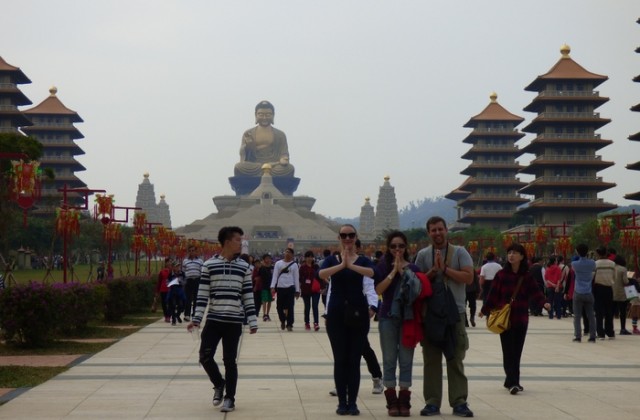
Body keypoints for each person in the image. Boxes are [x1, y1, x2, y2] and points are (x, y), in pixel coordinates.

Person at [186, 226, 258, 413]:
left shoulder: (244, 267)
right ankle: (219, 383)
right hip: (214, 319)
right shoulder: (209, 265)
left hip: (233, 321)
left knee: (229, 361)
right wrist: (196, 319)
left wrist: (252, 319)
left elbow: (247, 294)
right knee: (205, 356)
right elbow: (202, 295)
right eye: (238, 240)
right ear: (227, 242)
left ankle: (230, 398)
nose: (241, 244)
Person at [414, 216, 474, 418]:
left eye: (440, 229)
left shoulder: (460, 252)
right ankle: (432, 402)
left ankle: (459, 401)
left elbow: (469, 277)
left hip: (454, 313)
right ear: (428, 233)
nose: (437, 233)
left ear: (447, 230)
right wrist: (433, 271)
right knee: (431, 360)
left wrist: (446, 269)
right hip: (430, 314)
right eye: (433, 230)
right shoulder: (423, 255)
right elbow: (417, 284)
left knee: (455, 358)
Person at [319, 224, 376, 416]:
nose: (347, 238)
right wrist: (342, 265)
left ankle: (353, 402)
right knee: (340, 359)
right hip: (335, 314)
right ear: (339, 238)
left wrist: (350, 265)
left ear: (355, 237)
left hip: (358, 314)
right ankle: (342, 402)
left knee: (353, 359)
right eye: (344, 235)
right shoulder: (330, 260)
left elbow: (372, 273)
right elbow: (322, 274)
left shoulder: (364, 261)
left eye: (351, 235)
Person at [479, 243, 550, 395]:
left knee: (517, 351)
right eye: (509, 252)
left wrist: (544, 303)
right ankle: (514, 382)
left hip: (521, 318)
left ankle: (511, 379)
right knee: (508, 351)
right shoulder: (501, 275)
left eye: (515, 253)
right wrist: (484, 310)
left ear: (522, 256)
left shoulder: (527, 276)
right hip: (505, 320)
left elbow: (535, 292)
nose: (511, 255)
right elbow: (493, 295)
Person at [375, 231, 431, 417]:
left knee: (406, 360)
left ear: (406, 247)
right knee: (389, 359)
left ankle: (404, 401)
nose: (397, 249)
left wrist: (403, 272)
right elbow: (378, 290)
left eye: (400, 246)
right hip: (387, 318)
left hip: (408, 319)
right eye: (393, 246)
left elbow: (418, 291)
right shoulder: (382, 267)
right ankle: (391, 401)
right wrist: (393, 272)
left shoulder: (414, 268)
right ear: (388, 248)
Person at [234, 100, 294, 177]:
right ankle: (264, 172)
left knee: (290, 168)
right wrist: (248, 146)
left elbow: (284, 152)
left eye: (268, 115)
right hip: (255, 165)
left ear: (273, 115)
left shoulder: (280, 134)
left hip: (274, 165)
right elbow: (244, 157)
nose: (264, 118)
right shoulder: (249, 133)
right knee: (239, 167)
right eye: (261, 114)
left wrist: (284, 158)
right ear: (256, 115)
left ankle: (266, 172)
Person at [570, 244, 597, 342]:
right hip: (589, 292)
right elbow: (593, 269)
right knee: (591, 315)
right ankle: (592, 336)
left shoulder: (574, 264)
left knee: (577, 316)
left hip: (578, 292)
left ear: (577, 252)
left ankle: (578, 336)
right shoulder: (592, 263)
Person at [270, 248, 300, 331]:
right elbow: (275, 275)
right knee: (279, 306)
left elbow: (296, 278)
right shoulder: (278, 263)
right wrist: (272, 286)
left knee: (290, 307)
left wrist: (297, 290)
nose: (287, 253)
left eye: (289, 252)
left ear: (292, 255)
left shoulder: (294, 265)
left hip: (290, 287)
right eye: (286, 252)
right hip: (280, 287)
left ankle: (290, 324)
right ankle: (283, 320)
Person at [594, 246, 616, 339]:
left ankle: (600, 333)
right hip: (608, 288)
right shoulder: (612, 264)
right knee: (609, 311)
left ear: (598, 254)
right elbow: (614, 277)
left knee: (599, 311)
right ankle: (610, 332)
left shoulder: (595, 264)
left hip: (598, 288)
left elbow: (592, 276)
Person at [299, 250, 321, 331]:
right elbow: (300, 278)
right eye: (308, 257)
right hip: (306, 290)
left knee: (315, 306)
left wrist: (321, 287)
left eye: (311, 257)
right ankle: (307, 323)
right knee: (307, 307)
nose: (310, 258)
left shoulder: (316, 267)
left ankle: (316, 323)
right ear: (305, 258)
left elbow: (320, 277)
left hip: (315, 289)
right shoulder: (302, 267)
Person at [182, 245, 204, 322]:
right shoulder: (185, 261)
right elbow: (183, 272)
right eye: (190, 251)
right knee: (188, 298)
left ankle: (195, 315)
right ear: (188, 252)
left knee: (196, 299)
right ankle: (187, 315)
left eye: (193, 250)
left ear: (196, 251)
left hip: (197, 280)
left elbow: (202, 272)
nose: (191, 252)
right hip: (188, 281)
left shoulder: (200, 261)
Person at [612, 255, 630, 335]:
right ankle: (622, 329)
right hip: (621, 293)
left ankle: (610, 328)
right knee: (622, 312)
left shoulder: (611, 268)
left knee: (611, 312)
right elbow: (625, 281)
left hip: (612, 292)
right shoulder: (623, 269)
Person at [166, 261, 187, 326]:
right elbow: (167, 283)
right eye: (176, 266)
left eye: (179, 266)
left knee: (181, 305)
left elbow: (185, 282)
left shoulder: (182, 273)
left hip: (180, 291)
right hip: (173, 291)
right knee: (173, 304)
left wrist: (180, 281)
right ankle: (174, 319)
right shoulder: (170, 274)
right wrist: (172, 282)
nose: (178, 268)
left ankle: (177, 315)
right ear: (173, 267)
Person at [259, 254, 274, 321]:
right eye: (266, 258)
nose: (268, 260)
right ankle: (264, 314)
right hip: (264, 286)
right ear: (264, 259)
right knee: (264, 300)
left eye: (269, 258)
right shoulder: (261, 268)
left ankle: (267, 314)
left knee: (270, 301)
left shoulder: (272, 268)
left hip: (271, 287)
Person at [156, 258, 172, 323]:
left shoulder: (173, 271)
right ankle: (166, 316)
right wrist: (157, 291)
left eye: (170, 262)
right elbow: (159, 282)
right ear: (165, 263)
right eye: (168, 262)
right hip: (163, 289)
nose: (169, 263)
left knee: (171, 303)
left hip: (171, 289)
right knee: (164, 303)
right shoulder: (162, 272)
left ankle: (169, 315)